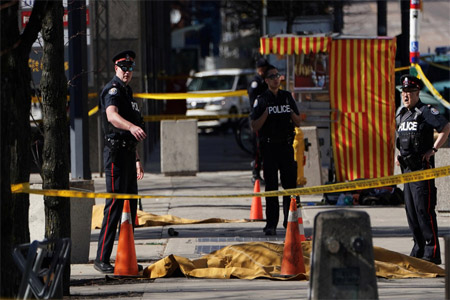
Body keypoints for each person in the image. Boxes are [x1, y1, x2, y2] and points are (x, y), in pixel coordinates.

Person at [94, 50, 147, 273]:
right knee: (115, 206)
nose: (127, 72)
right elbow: (112, 116)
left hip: (127, 155)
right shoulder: (113, 90)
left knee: (130, 206)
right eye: (123, 67)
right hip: (115, 156)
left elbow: (130, 134)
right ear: (116, 68)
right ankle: (102, 258)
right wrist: (132, 126)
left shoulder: (127, 91)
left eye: (130, 68)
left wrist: (136, 159)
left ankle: (127, 255)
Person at [395, 74, 450, 265]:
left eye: (410, 92)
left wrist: (434, 149)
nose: (406, 95)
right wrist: (397, 155)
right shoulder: (401, 114)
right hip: (406, 171)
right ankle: (418, 249)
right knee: (411, 212)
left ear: (417, 92)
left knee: (423, 210)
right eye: (404, 92)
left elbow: (445, 127)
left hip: (422, 168)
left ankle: (431, 251)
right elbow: (400, 139)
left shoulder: (425, 111)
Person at [250, 65, 303, 235]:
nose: (275, 78)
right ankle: (271, 224)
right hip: (269, 147)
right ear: (266, 81)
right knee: (271, 187)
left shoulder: (286, 97)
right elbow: (254, 125)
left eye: (277, 75)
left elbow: (298, 121)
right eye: (272, 76)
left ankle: (291, 222)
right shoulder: (262, 99)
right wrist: (266, 113)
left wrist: (290, 112)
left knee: (290, 187)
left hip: (286, 146)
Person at [248, 58, 269, 184]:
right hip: (257, 118)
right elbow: (253, 102)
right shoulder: (256, 82)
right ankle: (255, 174)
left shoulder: (264, 81)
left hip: (265, 117)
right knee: (257, 147)